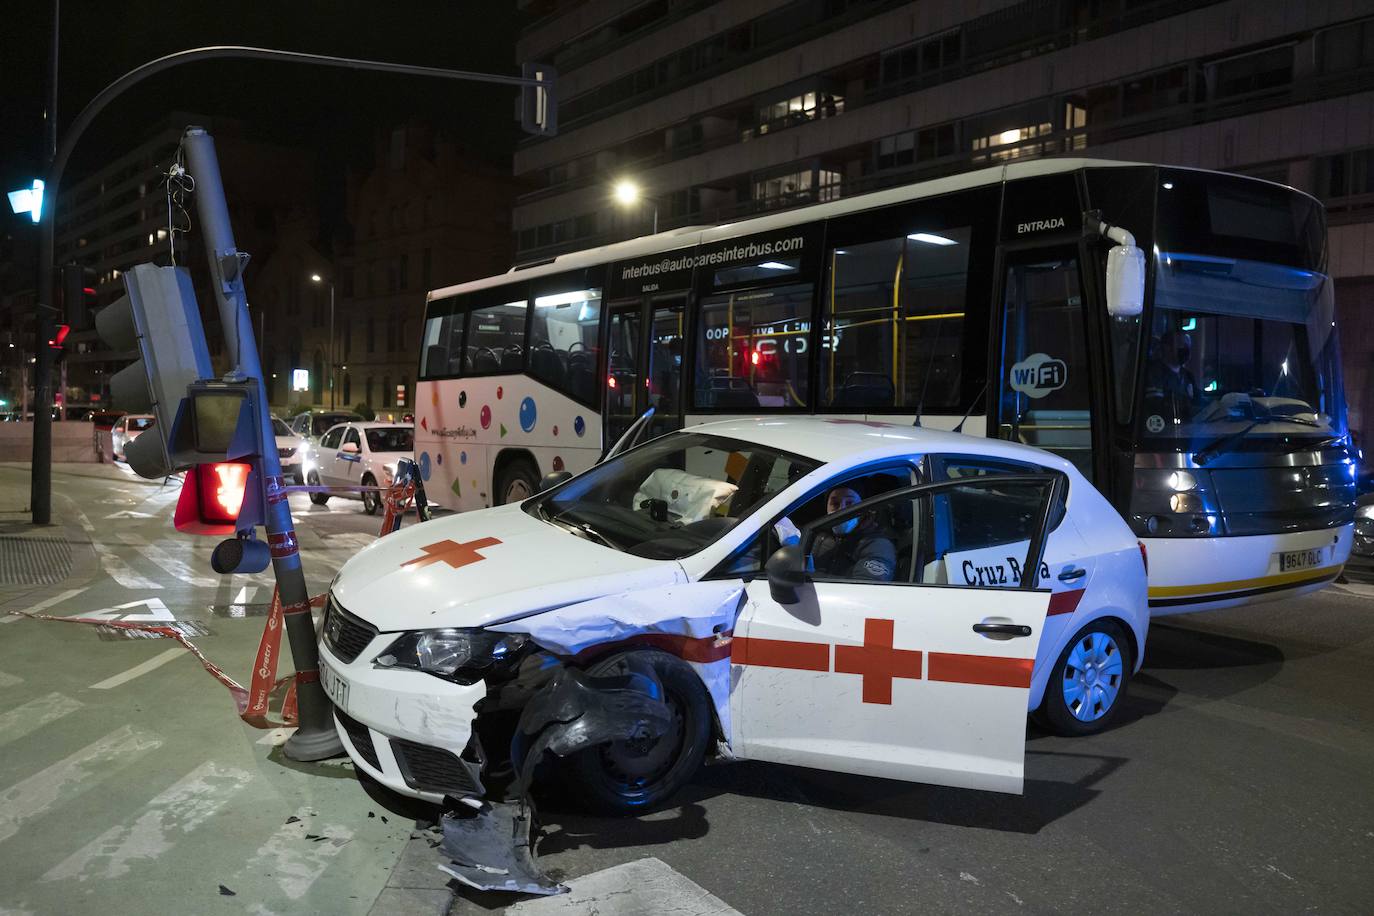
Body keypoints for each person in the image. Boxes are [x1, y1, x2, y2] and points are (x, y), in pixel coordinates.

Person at [808, 483, 897, 582]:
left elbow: (866, 590)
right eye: (835, 504)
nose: (841, 510)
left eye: (850, 503)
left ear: (863, 508)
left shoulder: (878, 545)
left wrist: (807, 577)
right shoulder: (818, 537)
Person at [1144, 329, 1200, 420]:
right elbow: (1156, 408)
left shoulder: (1188, 376)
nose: (1187, 350)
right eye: (1182, 346)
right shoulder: (1153, 373)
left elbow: (1198, 401)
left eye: (1189, 346)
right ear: (1167, 348)